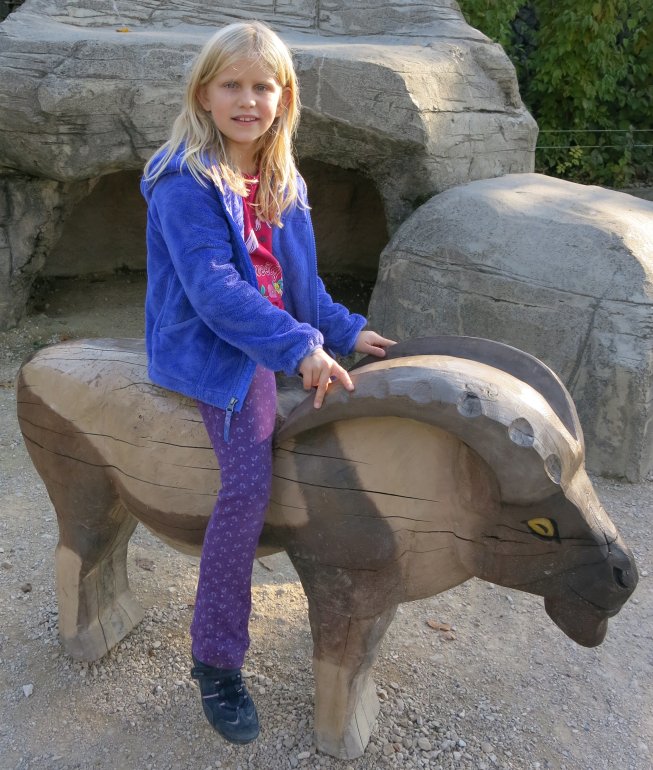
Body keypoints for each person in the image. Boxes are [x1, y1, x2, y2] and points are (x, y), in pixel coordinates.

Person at [140, 20, 395, 745]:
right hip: (216, 349)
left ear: (284, 97)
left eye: (263, 86)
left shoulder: (284, 175)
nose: (248, 99)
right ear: (204, 93)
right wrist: (298, 348)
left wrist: (343, 331)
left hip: (281, 336)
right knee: (248, 482)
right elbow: (216, 292)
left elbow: (302, 283)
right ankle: (215, 659)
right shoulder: (181, 178)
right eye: (233, 85)